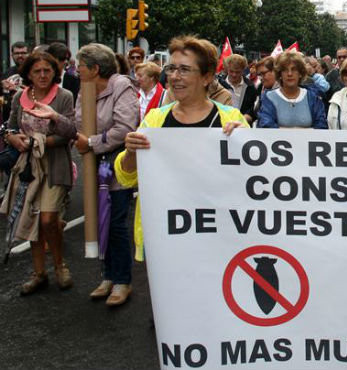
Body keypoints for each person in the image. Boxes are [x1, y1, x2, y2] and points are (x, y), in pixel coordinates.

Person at [115, 35, 249, 268]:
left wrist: (245, 144)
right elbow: (126, 177)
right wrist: (131, 152)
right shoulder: (155, 119)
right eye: (172, 68)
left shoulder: (230, 118)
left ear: (207, 77)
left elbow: (254, 178)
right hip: (167, 235)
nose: (175, 76)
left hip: (221, 235)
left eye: (185, 70)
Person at [52, 43, 139, 306]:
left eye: (80, 67)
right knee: (99, 222)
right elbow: (79, 125)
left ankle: (123, 281)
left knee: (115, 223)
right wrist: (55, 118)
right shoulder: (85, 90)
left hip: (116, 166)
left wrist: (91, 142)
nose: (76, 71)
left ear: (95, 69)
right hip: (93, 165)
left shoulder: (122, 86)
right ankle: (108, 276)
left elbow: (124, 128)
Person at [3, 51, 76, 295]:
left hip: (55, 165)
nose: (43, 75)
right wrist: (13, 137)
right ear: (28, 75)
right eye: (37, 71)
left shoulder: (64, 96)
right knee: (32, 219)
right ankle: (39, 272)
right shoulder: (19, 98)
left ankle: (59, 266)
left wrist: (39, 141)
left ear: (55, 72)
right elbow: (11, 126)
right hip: (27, 168)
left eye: (47, 70)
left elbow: (70, 131)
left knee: (48, 219)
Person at [258, 51, 327, 129]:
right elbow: (266, 126)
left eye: (294, 69)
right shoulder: (268, 98)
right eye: (285, 70)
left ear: (300, 73)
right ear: (280, 74)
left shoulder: (313, 97)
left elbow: (321, 127)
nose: (290, 74)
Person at [222, 54, 257, 120]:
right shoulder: (219, 84)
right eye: (231, 71)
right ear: (227, 69)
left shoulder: (250, 87)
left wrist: (247, 117)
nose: (234, 75)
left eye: (238, 72)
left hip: (242, 126)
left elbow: (253, 108)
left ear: (243, 70)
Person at [250, 56, 277, 126]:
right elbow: (256, 113)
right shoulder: (261, 88)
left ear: (275, 71)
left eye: (264, 73)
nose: (261, 78)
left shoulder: (285, 92)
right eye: (259, 75)